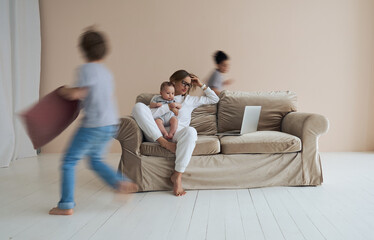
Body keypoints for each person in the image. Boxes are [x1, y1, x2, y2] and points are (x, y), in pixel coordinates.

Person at [49, 29, 138, 216]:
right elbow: (106, 96)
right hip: (110, 124)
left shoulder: (85, 70)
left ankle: (66, 205)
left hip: (93, 125)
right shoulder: (107, 73)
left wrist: (65, 91)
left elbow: (80, 93)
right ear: (104, 50)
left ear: (83, 49)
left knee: (69, 161)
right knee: (95, 159)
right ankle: (120, 182)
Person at [132, 70, 219, 196]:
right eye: (184, 82)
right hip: (156, 135)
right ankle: (164, 143)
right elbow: (147, 116)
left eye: (188, 84)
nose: (186, 87)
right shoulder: (159, 98)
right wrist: (168, 106)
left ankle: (177, 175)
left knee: (191, 131)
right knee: (138, 107)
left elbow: (214, 99)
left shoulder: (190, 100)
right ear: (174, 81)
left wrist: (201, 84)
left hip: (176, 136)